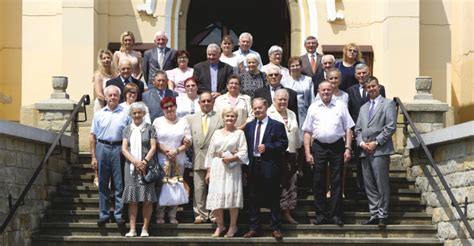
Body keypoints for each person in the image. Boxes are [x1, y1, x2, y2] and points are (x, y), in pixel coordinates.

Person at [303, 81, 354, 226]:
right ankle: (320, 215)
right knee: (318, 181)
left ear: (332, 90)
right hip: (318, 146)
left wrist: (347, 148)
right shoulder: (313, 108)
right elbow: (307, 131)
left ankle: (335, 215)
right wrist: (307, 152)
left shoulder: (340, 106)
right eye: (323, 90)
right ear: (318, 92)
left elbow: (348, 129)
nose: (325, 92)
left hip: (337, 146)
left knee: (337, 181)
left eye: (328, 90)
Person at [243, 98, 288, 240]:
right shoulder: (249, 126)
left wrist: (268, 147)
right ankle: (254, 228)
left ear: (266, 107)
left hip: (270, 165)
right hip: (253, 165)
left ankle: (276, 228)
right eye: (254, 108)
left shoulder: (277, 125)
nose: (257, 110)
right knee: (253, 198)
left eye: (259, 108)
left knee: (273, 197)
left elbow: (283, 144)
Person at [354, 76, 396, 227]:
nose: (371, 89)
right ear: (365, 90)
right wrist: (361, 143)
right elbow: (357, 129)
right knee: (369, 185)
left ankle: (383, 214)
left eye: (373, 86)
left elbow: (390, 126)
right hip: (365, 151)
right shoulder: (363, 108)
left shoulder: (388, 104)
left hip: (380, 150)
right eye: (368, 87)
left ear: (378, 87)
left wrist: (376, 142)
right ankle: (374, 214)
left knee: (381, 183)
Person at [205, 107, 249, 237]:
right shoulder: (217, 133)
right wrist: (208, 171)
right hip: (217, 166)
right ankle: (220, 225)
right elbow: (210, 152)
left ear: (236, 118)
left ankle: (233, 226)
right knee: (216, 196)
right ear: (223, 118)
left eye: (232, 116)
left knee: (232, 197)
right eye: (227, 116)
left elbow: (243, 152)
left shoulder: (239, 133)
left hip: (232, 168)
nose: (229, 119)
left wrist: (231, 158)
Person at [90, 85, 130, 227]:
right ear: (105, 97)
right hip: (102, 147)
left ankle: (118, 214)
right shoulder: (99, 114)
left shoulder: (126, 114)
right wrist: (93, 156)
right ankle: (104, 214)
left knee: (119, 183)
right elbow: (92, 136)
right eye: (110, 95)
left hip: (119, 148)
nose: (113, 97)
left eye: (115, 95)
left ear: (119, 97)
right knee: (103, 183)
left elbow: (130, 134)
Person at [347, 63, 386, 197]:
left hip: (375, 133)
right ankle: (361, 188)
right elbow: (350, 111)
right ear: (355, 75)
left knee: (376, 164)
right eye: (359, 73)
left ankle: (377, 191)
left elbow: (382, 109)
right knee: (359, 162)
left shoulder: (379, 89)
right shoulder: (350, 90)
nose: (362, 75)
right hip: (358, 133)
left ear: (368, 72)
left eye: (364, 72)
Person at [186, 91, 224, 224]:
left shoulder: (220, 117)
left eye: (209, 101)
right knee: (198, 188)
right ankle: (200, 215)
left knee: (215, 188)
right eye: (203, 101)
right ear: (199, 103)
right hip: (198, 157)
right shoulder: (190, 118)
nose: (206, 103)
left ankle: (214, 215)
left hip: (215, 159)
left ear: (213, 102)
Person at [121, 102, 158, 237]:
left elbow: (153, 147)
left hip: (147, 167)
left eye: (139, 112)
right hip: (131, 167)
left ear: (143, 114)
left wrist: (144, 162)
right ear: (131, 114)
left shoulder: (150, 128)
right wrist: (135, 162)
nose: (137, 115)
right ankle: (132, 229)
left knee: (147, 199)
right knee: (133, 199)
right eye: (134, 113)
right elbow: (124, 149)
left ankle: (145, 229)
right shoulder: (127, 129)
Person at [153, 96, 192, 224]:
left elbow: (188, 141)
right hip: (162, 159)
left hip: (178, 159)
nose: (169, 109)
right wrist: (167, 152)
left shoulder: (183, 121)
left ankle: (172, 215)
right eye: (166, 107)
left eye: (171, 106)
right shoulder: (157, 121)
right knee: (162, 187)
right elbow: (155, 141)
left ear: (176, 106)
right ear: (162, 109)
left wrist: (176, 151)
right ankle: (159, 215)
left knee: (176, 186)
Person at [267, 89, 301, 225]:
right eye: (280, 99)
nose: (282, 102)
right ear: (274, 100)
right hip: (275, 155)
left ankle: (287, 213)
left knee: (290, 184)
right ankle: (274, 215)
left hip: (291, 154)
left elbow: (296, 134)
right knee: (276, 186)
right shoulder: (269, 113)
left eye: (285, 99)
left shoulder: (292, 113)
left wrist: (297, 152)